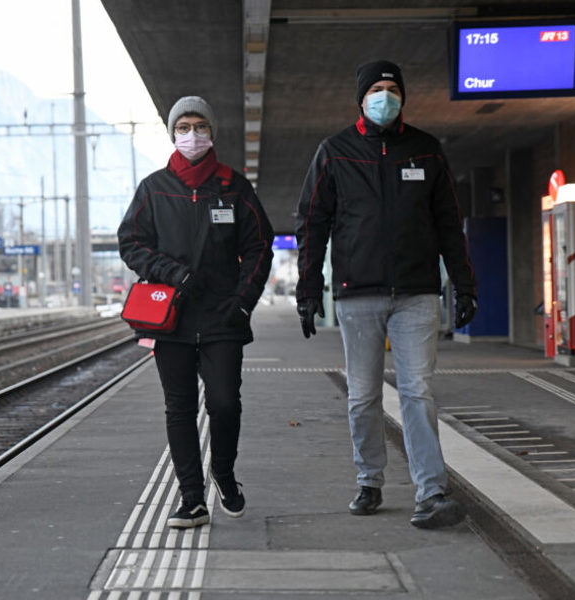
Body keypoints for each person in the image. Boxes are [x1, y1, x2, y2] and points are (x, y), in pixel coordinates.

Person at [294, 60, 477, 529]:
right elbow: (312, 222)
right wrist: (309, 286)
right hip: (357, 295)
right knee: (362, 396)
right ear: (360, 97)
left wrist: (464, 282)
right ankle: (369, 479)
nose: (384, 95)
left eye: (392, 88)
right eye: (375, 88)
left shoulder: (426, 150)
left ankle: (431, 493)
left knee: (418, 391)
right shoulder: (334, 152)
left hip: (417, 293)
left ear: (403, 96)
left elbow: (448, 225)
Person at [118, 96, 273, 529]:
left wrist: (242, 301)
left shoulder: (234, 187)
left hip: (224, 318)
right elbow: (130, 242)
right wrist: (171, 273)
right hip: (171, 319)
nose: (192, 134)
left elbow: (260, 245)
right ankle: (192, 498)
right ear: (172, 133)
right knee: (180, 408)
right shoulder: (154, 189)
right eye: (183, 126)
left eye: (199, 125)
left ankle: (223, 473)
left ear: (211, 133)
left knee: (225, 403)